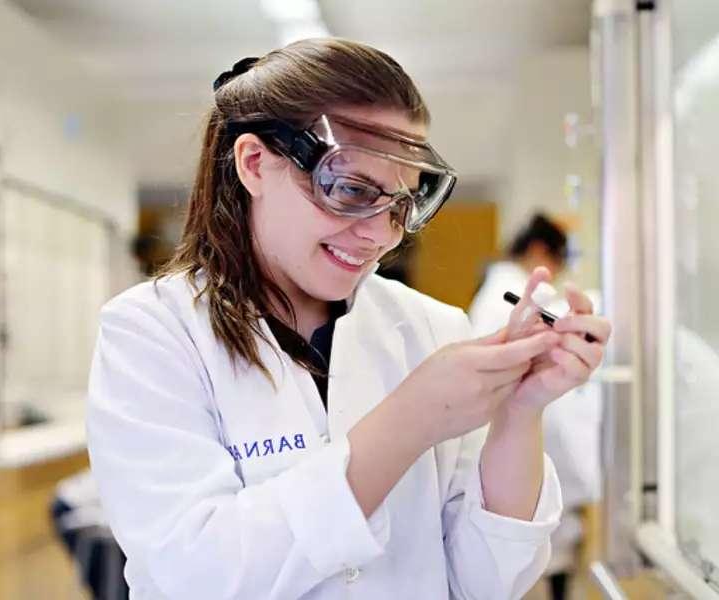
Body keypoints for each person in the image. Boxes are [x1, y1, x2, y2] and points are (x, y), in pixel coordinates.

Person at [86, 39, 611, 599]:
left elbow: (486, 579)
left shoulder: (432, 327)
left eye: (399, 204)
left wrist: (520, 411)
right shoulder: (151, 334)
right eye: (352, 190)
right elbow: (198, 575)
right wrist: (411, 419)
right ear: (255, 163)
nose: (380, 235)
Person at [469, 214, 603, 600]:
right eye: (559, 260)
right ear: (540, 251)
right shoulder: (523, 296)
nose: (558, 272)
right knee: (532, 563)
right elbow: (559, 407)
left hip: (507, 442)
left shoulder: (496, 289)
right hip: (523, 443)